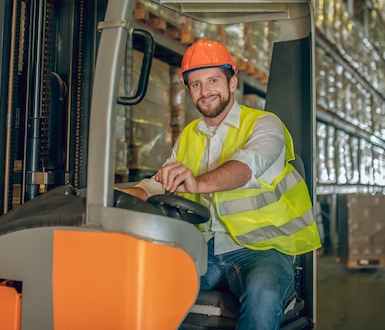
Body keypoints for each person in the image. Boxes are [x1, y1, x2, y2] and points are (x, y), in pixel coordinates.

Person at [120, 39, 321, 330]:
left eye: (213, 80)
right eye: (196, 84)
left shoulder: (265, 125)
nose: (205, 91)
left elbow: (245, 169)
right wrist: (129, 193)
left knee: (263, 292)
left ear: (232, 82)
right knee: (146, 283)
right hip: (206, 249)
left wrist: (197, 183)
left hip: (263, 248)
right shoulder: (190, 134)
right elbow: (161, 182)